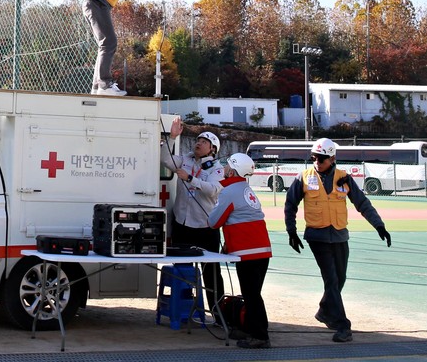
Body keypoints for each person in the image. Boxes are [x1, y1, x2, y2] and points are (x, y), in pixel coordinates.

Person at [284, 138, 392, 343]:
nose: (317, 161)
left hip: (340, 235)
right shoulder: (303, 178)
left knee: (340, 279)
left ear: (332, 158)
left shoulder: (344, 178)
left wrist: (379, 225)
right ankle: (343, 325)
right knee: (331, 280)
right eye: (314, 157)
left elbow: (362, 203)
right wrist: (292, 231)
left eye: (322, 158)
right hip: (317, 237)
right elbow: (290, 204)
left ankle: (325, 311)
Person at [160, 116, 226, 321]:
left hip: (206, 227)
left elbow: (214, 190)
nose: (198, 143)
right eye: (198, 140)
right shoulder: (186, 159)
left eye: (204, 142)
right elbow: (166, 160)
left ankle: (218, 313)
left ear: (213, 149)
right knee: (183, 270)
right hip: (183, 224)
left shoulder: (217, 168)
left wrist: (191, 179)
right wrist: (171, 138)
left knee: (212, 273)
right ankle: (185, 311)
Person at [207, 152, 272, 348]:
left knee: (251, 294)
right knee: (253, 293)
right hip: (261, 249)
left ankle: (260, 336)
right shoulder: (245, 189)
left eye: (227, 166)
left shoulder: (229, 192)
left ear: (232, 170)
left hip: (248, 251)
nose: (224, 169)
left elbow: (213, 222)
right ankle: (252, 329)